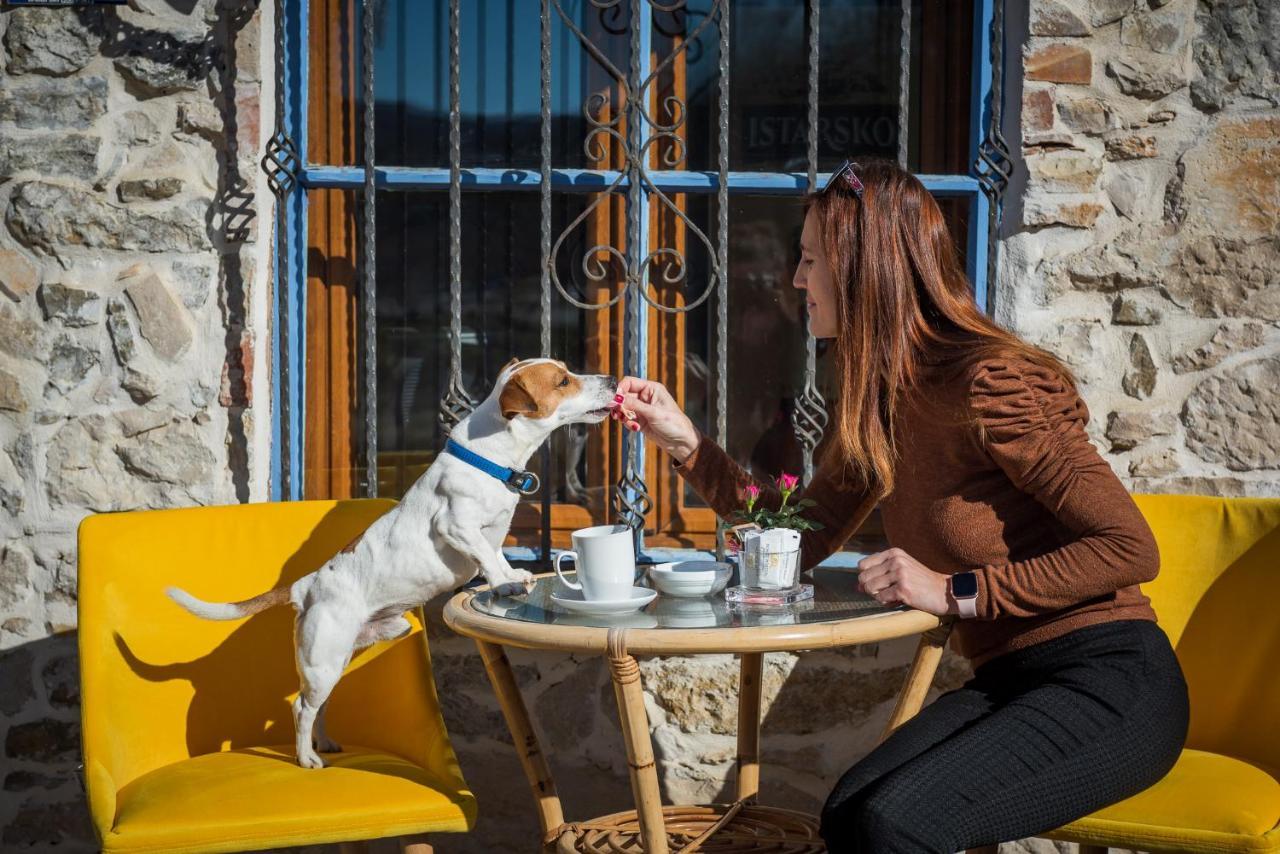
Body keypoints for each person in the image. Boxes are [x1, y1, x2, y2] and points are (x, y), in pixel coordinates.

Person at [610, 157, 1189, 853]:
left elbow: (1131, 549)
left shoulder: (992, 384)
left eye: (811, 260)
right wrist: (684, 442)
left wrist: (956, 590)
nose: (797, 280)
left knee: (894, 825)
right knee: (851, 814)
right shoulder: (884, 399)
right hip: (1009, 680)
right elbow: (801, 537)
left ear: (865, 270)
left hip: (1108, 681)